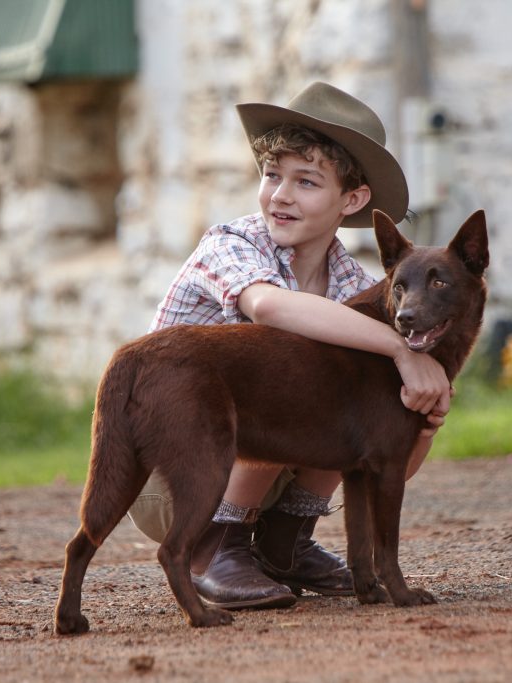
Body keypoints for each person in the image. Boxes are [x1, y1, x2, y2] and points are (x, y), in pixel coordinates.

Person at [127, 82, 450, 610]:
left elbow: (385, 458)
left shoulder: (353, 286)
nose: (280, 194)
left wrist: (424, 422)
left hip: (259, 462)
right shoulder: (230, 244)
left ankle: (286, 544)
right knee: (285, 372)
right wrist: (401, 351)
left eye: (306, 182)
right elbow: (271, 309)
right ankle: (215, 550)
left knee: (350, 396)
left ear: (352, 200)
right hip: (174, 475)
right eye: (272, 175)